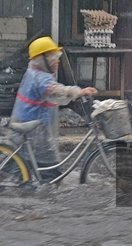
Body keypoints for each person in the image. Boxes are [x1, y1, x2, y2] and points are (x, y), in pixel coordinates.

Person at [12, 36, 98, 170]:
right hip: (37, 131)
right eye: (54, 57)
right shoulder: (40, 78)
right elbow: (55, 91)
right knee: (51, 172)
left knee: (21, 166)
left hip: (33, 126)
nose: (57, 61)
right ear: (42, 60)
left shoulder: (34, 73)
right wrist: (79, 92)